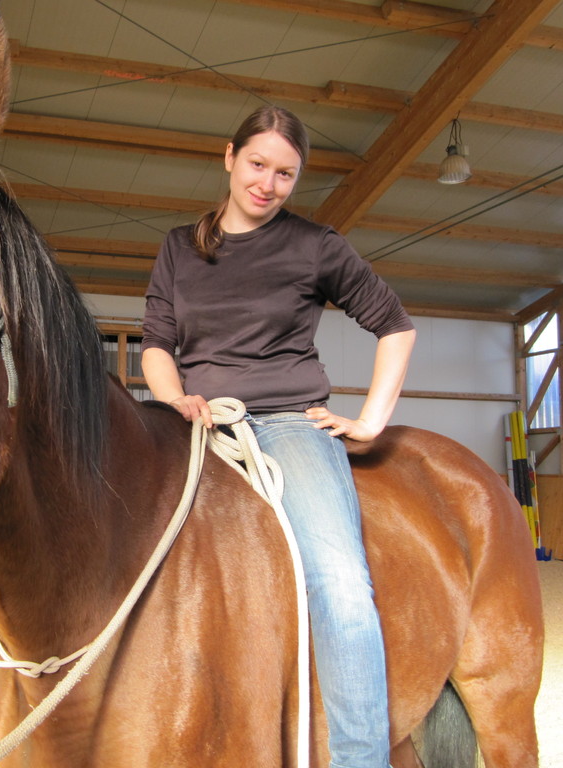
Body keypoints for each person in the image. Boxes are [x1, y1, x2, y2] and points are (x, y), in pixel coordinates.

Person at [141, 104, 416, 768]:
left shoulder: (315, 245)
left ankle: (360, 759)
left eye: (285, 174)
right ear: (229, 157)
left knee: (340, 582)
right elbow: (156, 344)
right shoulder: (181, 246)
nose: (267, 184)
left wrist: (370, 419)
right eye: (258, 164)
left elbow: (395, 326)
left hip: (290, 424)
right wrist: (174, 397)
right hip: (199, 422)